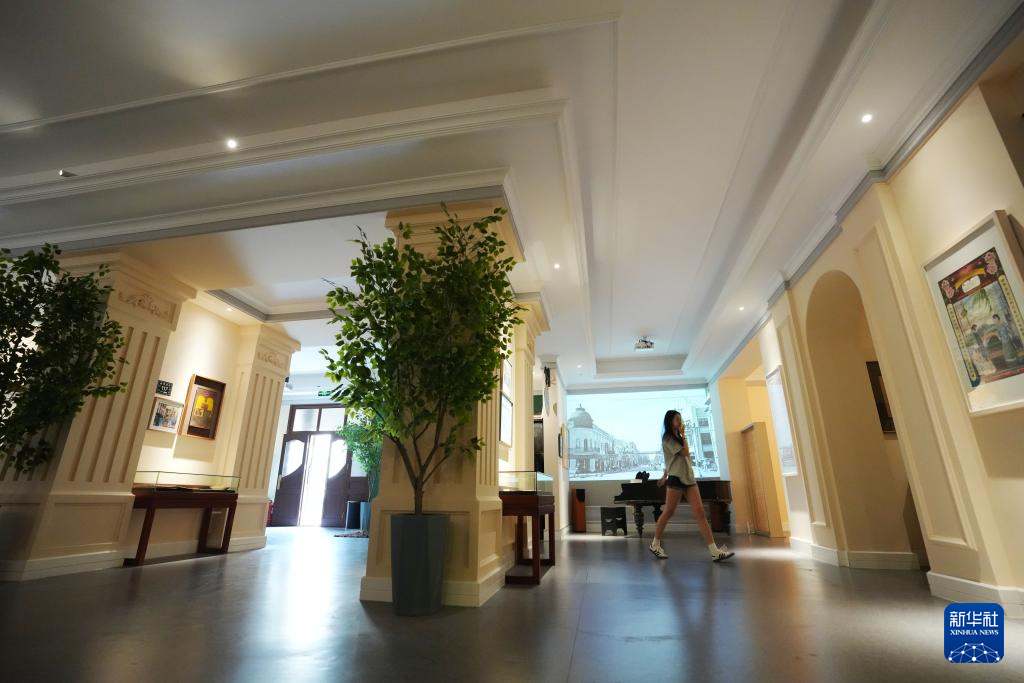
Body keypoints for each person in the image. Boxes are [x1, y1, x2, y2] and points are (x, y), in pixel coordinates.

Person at [649, 410, 734, 562]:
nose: (680, 422)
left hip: (689, 478)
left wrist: (664, 475)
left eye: (680, 419)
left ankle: (714, 551)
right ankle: (655, 544)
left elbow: (672, 461)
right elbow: (685, 453)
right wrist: (683, 435)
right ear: (670, 421)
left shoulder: (677, 437)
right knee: (668, 512)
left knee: (700, 512)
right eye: (677, 419)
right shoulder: (668, 438)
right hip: (676, 479)